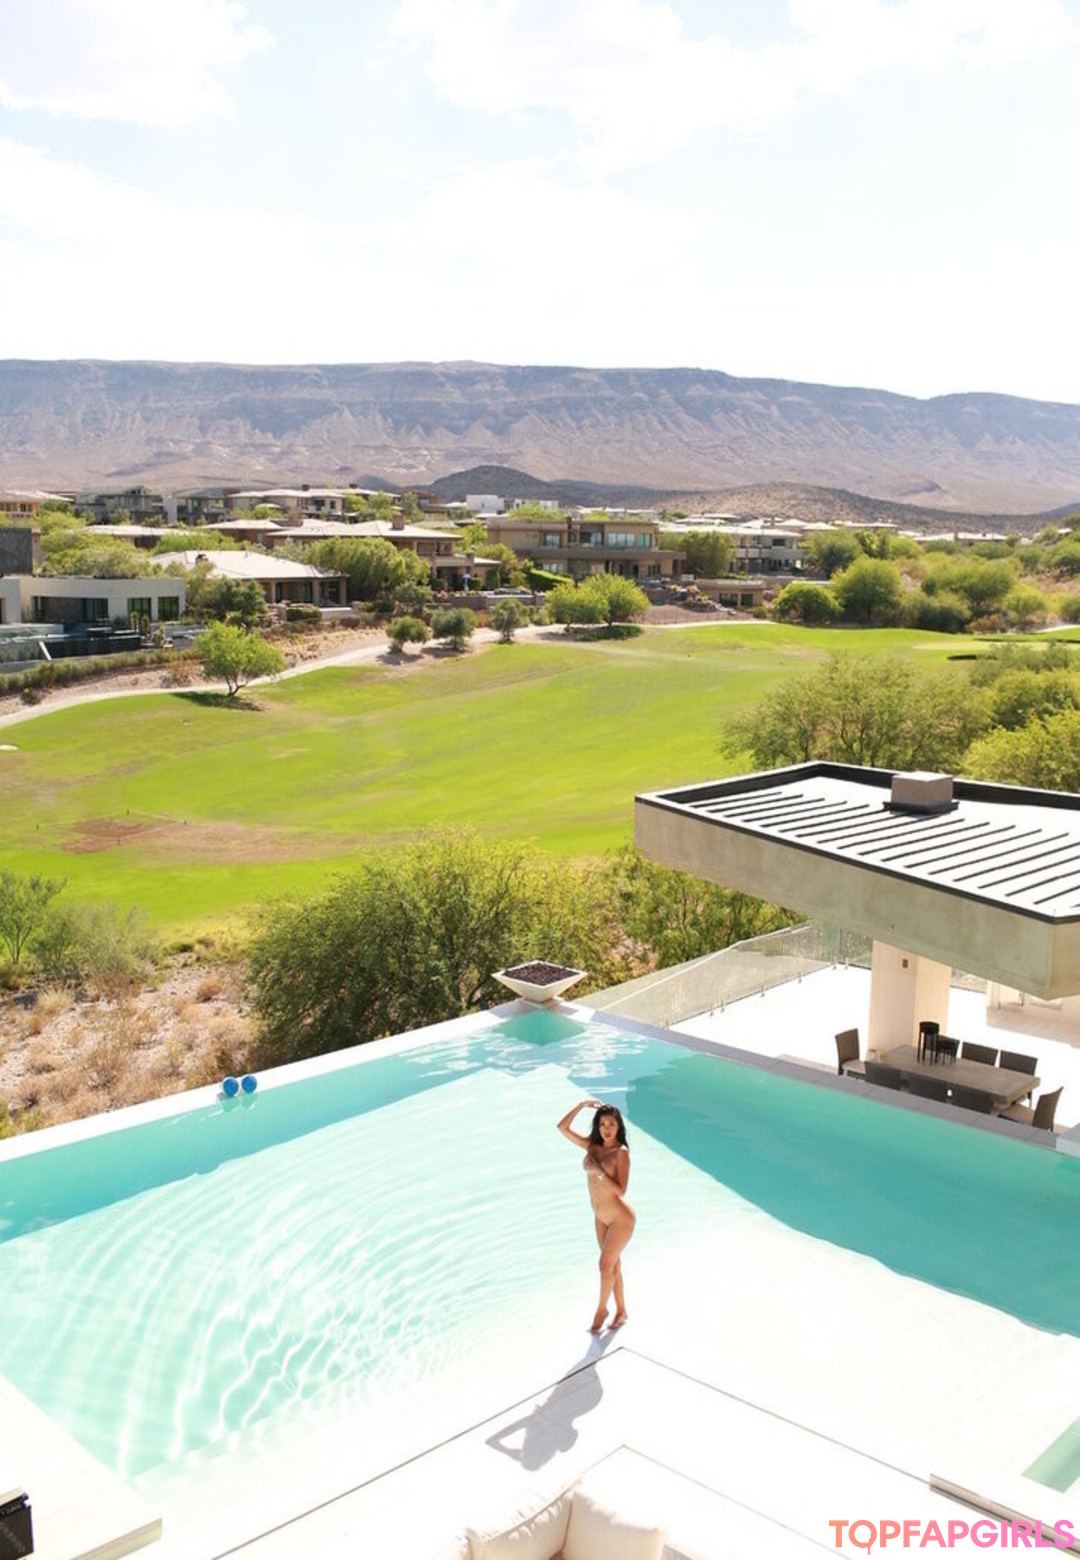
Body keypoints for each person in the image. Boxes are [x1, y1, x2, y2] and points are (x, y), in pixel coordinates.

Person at [557, 1097, 635, 1333]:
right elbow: (562, 1128)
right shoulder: (592, 1146)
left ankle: (602, 1310)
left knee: (604, 1265)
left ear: (619, 1126)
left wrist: (598, 1170)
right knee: (613, 1266)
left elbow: (621, 1190)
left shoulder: (621, 1153)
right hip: (600, 1217)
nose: (606, 1129)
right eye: (602, 1124)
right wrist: (581, 1105)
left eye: (611, 1124)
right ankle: (621, 1311)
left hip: (620, 1219)